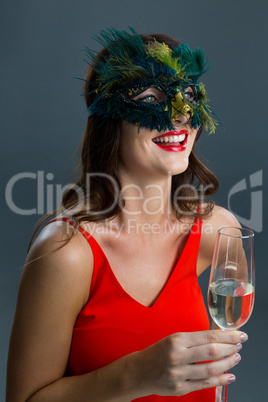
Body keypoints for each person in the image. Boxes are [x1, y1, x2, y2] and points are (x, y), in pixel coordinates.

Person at [6, 27, 248, 402]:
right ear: (109, 119)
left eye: (188, 95)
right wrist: (135, 375)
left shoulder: (220, 231)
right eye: (151, 97)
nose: (181, 114)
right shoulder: (65, 254)